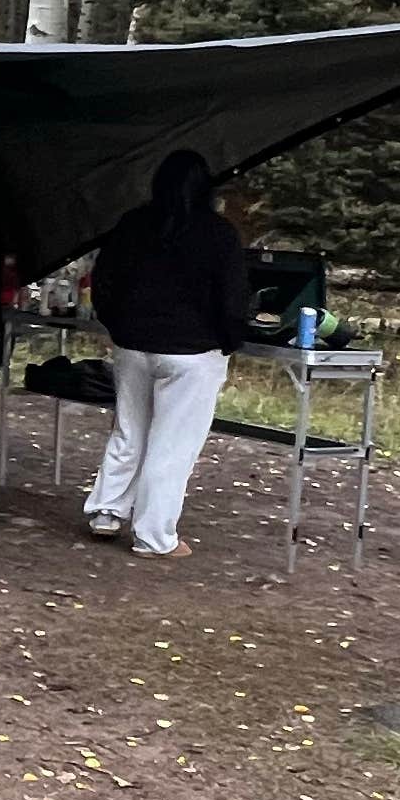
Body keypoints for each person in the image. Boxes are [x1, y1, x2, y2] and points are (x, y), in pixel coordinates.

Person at [81, 147, 254, 558]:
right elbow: (234, 299)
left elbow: (103, 281)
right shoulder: (218, 233)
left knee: (129, 430)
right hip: (192, 354)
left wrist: (119, 326)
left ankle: (106, 511)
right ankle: (155, 536)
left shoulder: (133, 224)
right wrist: (230, 340)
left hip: (133, 345)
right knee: (171, 444)